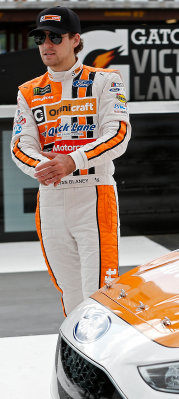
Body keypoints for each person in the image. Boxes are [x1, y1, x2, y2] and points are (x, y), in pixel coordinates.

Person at [11, 6, 131, 315]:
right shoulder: (29, 91)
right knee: (72, 296)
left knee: (100, 295)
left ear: (75, 39)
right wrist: (46, 168)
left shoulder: (106, 80)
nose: (46, 45)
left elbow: (118, 134)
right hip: (51, 197)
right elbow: (20, 146)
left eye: (55, 37)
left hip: (94, 193)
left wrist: (72, 160)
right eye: (40, 37)